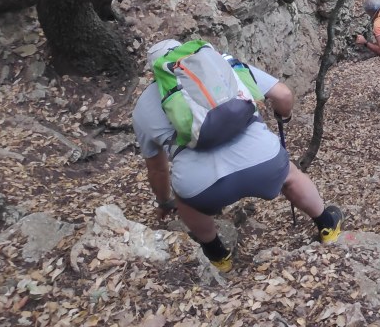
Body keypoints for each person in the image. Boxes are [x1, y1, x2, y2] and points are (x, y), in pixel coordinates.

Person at [133, 39, 343, 273]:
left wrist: (165, 201)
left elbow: (157, 168)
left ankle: (218, 256)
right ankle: (327, 225)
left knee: (186, 203)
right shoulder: (222, 66)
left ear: (156, 70)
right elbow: (283, 95)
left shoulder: (143, 107)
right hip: (263, 163)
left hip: (202, 186)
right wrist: (285, 115)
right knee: (290, 175)